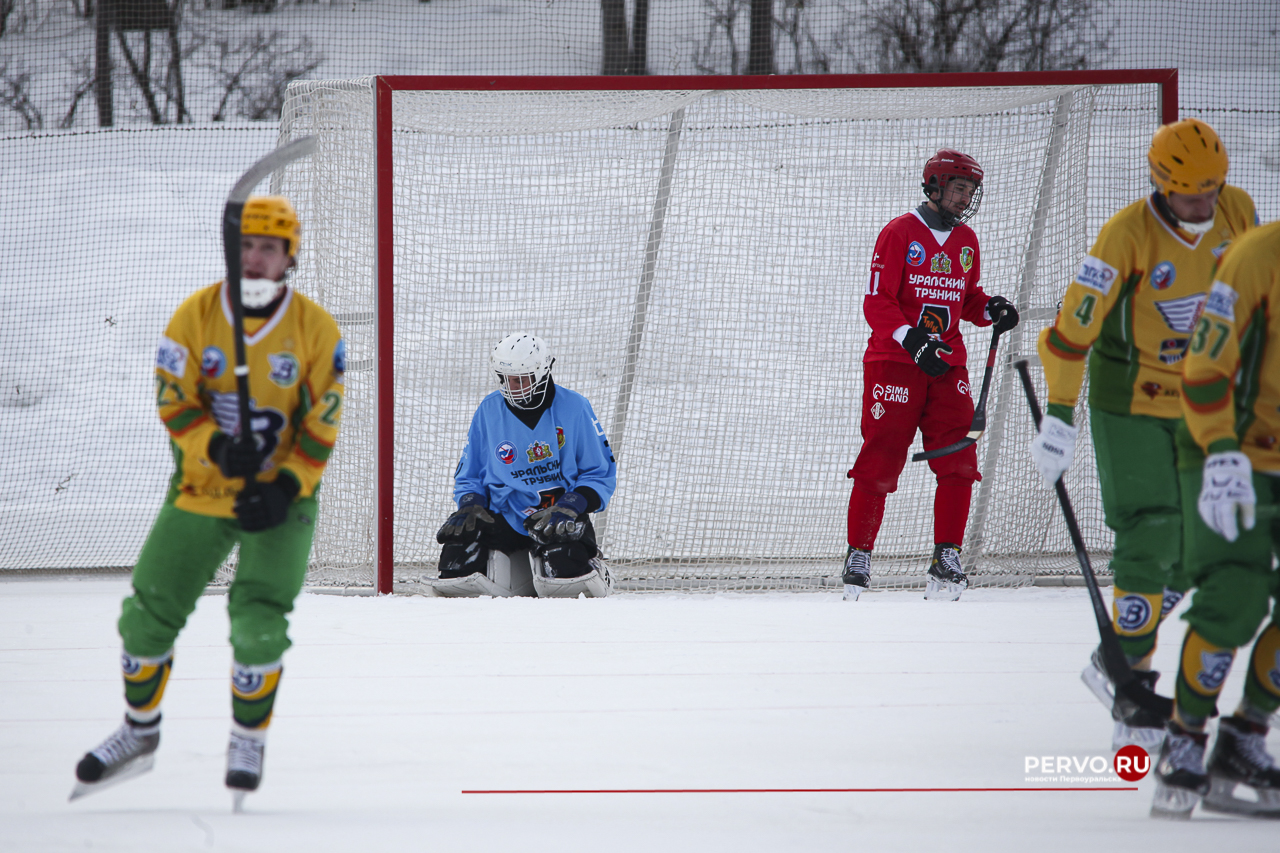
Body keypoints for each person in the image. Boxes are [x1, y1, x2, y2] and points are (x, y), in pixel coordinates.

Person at [71, 196, 345, 804]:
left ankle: (249, 736)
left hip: (281, 496)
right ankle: (139, 731)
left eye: (268, 248)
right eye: (246, 245)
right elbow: (173, 400)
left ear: (288, 258)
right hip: (201, 485)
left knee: (258, 625)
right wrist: (215, 449)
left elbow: (322, 427)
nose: (254, 258)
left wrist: (283, 486)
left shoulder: (316, 330)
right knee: (146, 615)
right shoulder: (195, 315)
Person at [1029, 119, 1257, 750]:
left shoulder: (1237, 211)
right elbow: (1069, 337)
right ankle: (1131, 681)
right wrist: (1058, 416)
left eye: (1213, 190)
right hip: (1128, 401)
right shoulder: (1124, 236)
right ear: (1160, 184)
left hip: (1203, 399)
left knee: (1202, 545)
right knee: (1150, 531)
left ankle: (1112, 658)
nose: (1204, 205)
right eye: (1190, 195)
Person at [844, 149, 1019, 602]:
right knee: (881, 456)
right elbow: (876, 302)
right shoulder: (900, 233)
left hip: (947, 365)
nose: (966, 199)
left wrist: (990, 308)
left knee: (960, 458)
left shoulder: (967, 242)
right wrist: (909, 338)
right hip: (897, 362)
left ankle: (947, 555)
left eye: (971, 191)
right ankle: (859, 555)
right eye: (960, 189)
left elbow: (968, 300)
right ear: (935, 186)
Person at [1148, 220, 1280, 819]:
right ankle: (1187, 735)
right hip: (1228, 448)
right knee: (1235, 595)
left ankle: (1245, 737)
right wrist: (1222, 451)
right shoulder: (1258, 256)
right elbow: (1203, 370)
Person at [434, 333, 616, 599]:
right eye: (507, 379)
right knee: (456, 560)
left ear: (542, 372)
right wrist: (470, 503)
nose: (514, 387)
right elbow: (469, 474)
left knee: (564, 566)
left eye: (521, 379)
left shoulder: (575, 408)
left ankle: (591, 565)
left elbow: (598, 472)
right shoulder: (488, 410)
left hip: (557, 517)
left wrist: (571, 505)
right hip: (505, 515)